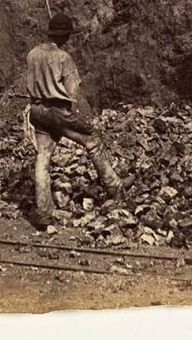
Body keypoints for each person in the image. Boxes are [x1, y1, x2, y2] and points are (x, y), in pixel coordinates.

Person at [24, 12, 122, 230]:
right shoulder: (63, 58)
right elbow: (73, 92)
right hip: (57, 111)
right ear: (64, 36)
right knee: (92, 141)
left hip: (37, 110)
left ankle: (43, 214)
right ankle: (114, 187)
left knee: (43, 159)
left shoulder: (32, 54)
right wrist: (84, 116)